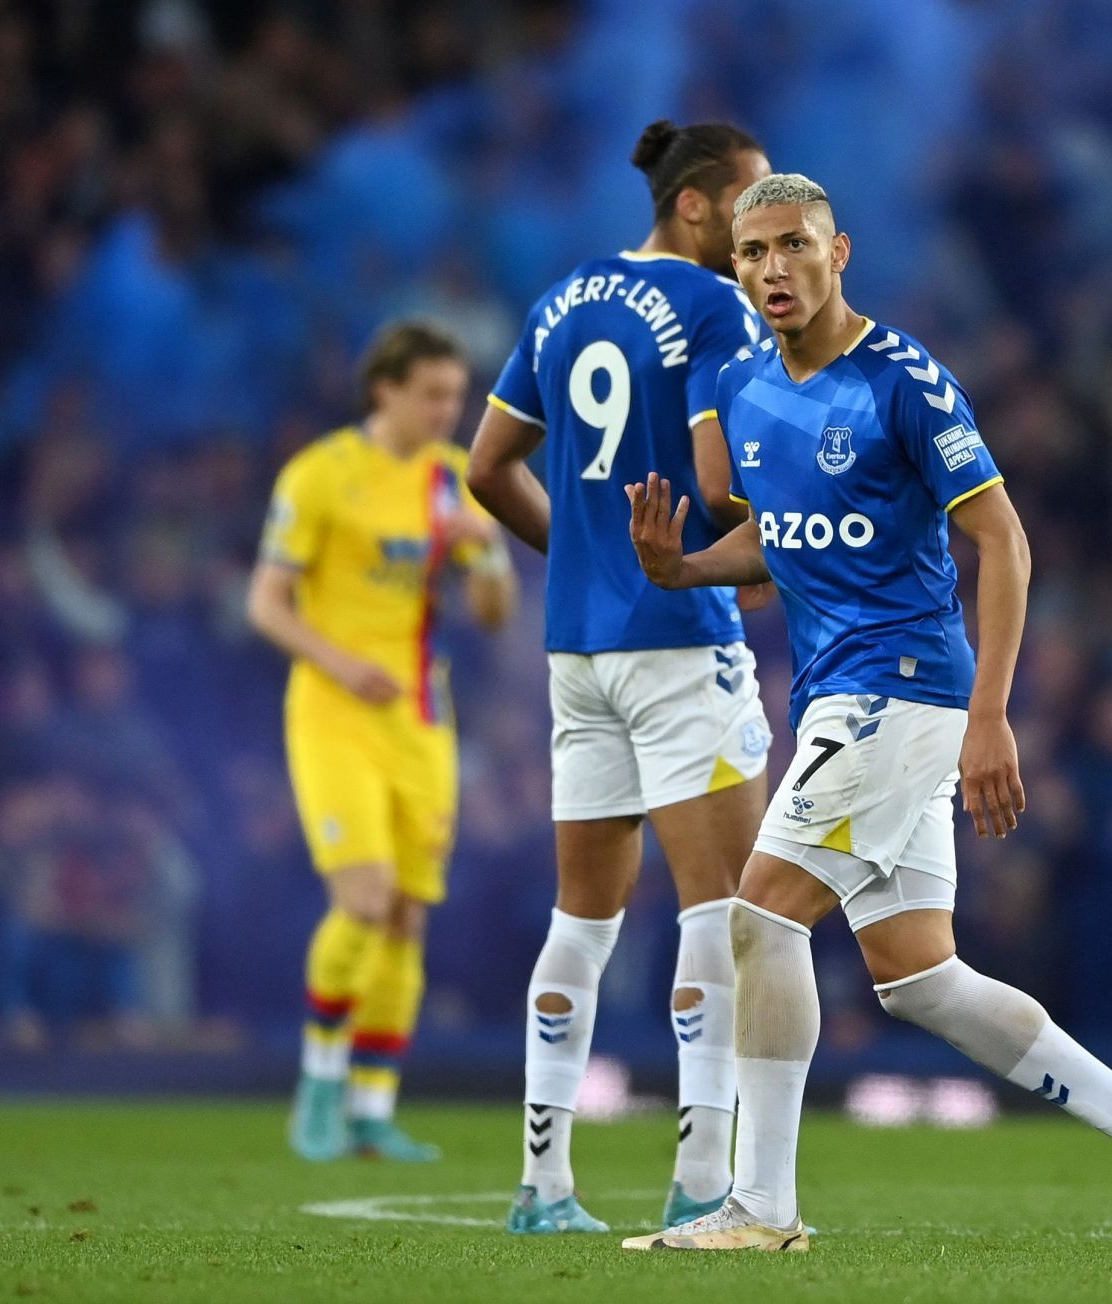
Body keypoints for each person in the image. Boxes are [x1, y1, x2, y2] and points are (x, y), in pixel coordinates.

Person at [620, 174, 1112, 1254]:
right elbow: (781, 539)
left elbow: (1004, 539)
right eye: (752, 253)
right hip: (840, 695)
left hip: (900, 687)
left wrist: (991, 711)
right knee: (919, 980)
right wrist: (685, 567)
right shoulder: (750, 388)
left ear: (838, 251)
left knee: (757, 918)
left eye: (792, 246)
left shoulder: (904, 382)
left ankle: (761, 1206)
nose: (770, 270)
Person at [466, 120, 775, 1234]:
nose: (761, 234)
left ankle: (542, 1185)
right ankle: (701, 1184)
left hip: (577, 650)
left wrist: (584, 554)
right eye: (749, 205)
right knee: (721, 912)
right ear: (696, 205)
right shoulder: (711, 306)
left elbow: (486, 468)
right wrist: (768, 541)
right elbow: (715, 478)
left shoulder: (559, 300)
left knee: (582, 920)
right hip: (681, 632)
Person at [247, 320, 515, 1161]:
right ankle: (318, 1087)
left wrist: (493, 555)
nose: (449, 410)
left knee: (405, 917)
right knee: (360, 900)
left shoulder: (453, 482)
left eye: (457, 395)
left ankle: (373, 1106)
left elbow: (494, 618)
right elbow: (265, 602)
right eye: (433, 393)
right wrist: (340, 663)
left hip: (420, 722)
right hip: (332, 712)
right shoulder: (323, 475)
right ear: (384, 390)